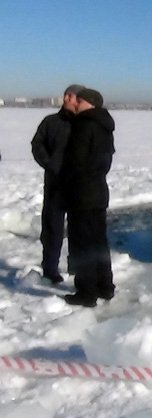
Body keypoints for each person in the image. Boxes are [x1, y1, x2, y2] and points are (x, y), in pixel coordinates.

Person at [61, 88, 116, 307]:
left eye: (80, 100)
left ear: (90, 103)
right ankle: (105, 286)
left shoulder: (84, 124)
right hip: (99, 191)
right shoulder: (104, 124)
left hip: (82, 193)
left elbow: (76, 160)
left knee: (83, 243)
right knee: (98, 241)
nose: (76, 103)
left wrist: (68, 181)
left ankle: (86, 292)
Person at [31, 84, 86, 283]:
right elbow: (37, 144)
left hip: (79, 185)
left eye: (72, 96)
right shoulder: (51, 122)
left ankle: (78, 271)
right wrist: (50, 164)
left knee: (79, 229)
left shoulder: (86, 124)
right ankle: (50, 269)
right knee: (52, 228)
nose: (67, 99)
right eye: (66, 95)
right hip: (55, 184)